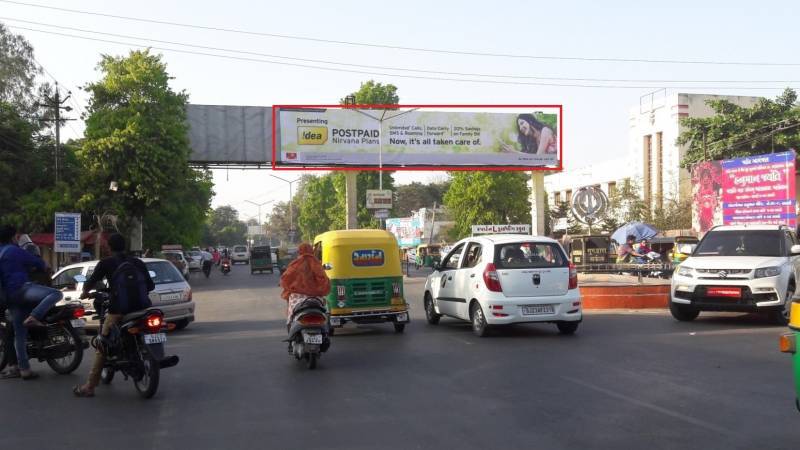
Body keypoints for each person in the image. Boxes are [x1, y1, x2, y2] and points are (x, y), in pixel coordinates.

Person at [73, 233, 155, 397]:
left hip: (118, 310)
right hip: (142, 309)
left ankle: (90, 386)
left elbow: (91, 281)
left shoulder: (106, 263)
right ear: (125, 246)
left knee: (102, 345)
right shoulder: (137, 262)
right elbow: (150, 286)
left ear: (109, 247)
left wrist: (85, 292)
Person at [0, 225, 61, 380]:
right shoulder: (15, 251)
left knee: (19, 335)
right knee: (56, 294)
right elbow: (40, 263)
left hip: (9, 298)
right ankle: (34, 317)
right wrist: (46, 266)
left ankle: (25, 370)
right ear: (13, 237)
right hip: (22, 289)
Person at [279, 243, 330, 325]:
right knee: (325, 309)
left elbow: (286, 278)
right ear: (311, 251)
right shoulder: (316, 263)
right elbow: (323, 279)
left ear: (299, 251)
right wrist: (318, 289)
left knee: (292, 313)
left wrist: (292, 287)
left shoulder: (296, 263)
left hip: (297, 297)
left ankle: (290, 323)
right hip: (315, 296)